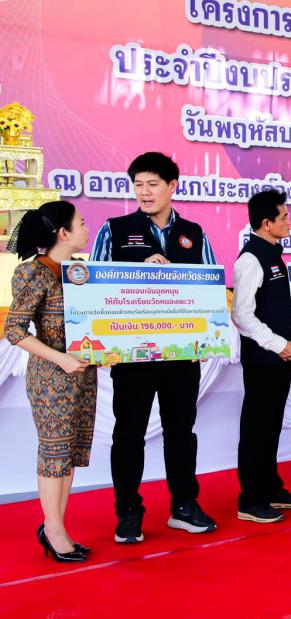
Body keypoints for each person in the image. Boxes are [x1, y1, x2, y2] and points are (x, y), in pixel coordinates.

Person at [92, 152, 218, 543]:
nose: (144, 192)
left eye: (152, 184)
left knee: (181, 432)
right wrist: (139, 272)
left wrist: (206, 334)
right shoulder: (115, 230)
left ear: (172, 186)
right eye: (138, 185)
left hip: (181, 355)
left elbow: (211, 288)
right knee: (128, 434)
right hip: (132, 357)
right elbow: (95, 288)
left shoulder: (194, 233)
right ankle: (128, 512)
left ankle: (184, 506)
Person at [5, 201, 94, 562]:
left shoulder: (80, 271)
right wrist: (62, 359)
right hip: (51, 379)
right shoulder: (33, 273)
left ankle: (57, 525)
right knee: (54, 453)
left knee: (70, 453)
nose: (87, 229)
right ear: (63, 233)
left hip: (82, 376)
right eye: (81, 223)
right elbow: (14, 330)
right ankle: (53, 530)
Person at [231, 190, 291, 524]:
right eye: (284, 216)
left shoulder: (274, 254)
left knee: (271, 424)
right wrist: (277, 344)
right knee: (256, 427)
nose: (289, 221)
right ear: (266, 223)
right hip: (264, 359)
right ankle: (250, 499)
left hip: (279, 358)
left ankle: (270, 488)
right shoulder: (250, 259)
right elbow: (242, 315)